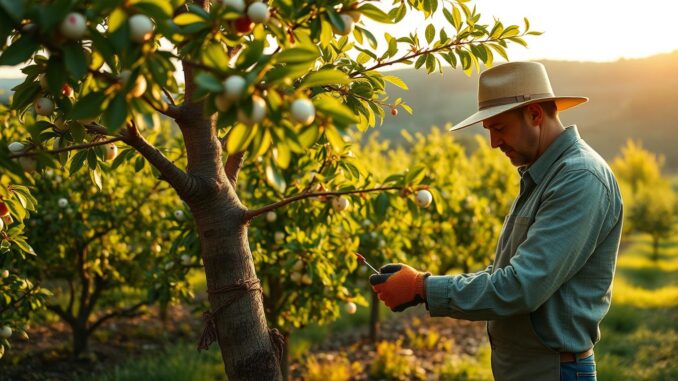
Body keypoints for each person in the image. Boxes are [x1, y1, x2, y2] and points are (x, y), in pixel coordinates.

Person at [369, 61, 623, 381]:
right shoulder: (540, 177)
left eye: (499, 128)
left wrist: (421, 286)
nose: (493, 143)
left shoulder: (578, 178)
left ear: (534, 114)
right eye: (488, 130)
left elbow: (520, 287)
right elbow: (504, 273)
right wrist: (421, 287)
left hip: (552, 371)